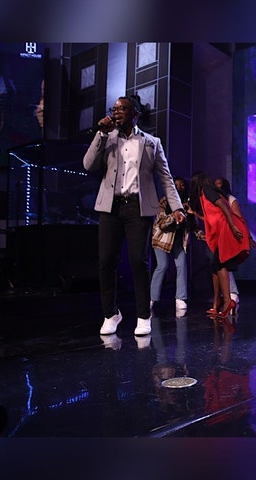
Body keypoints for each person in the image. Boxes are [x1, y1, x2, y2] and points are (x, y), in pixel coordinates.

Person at [83, 95, 184, 336]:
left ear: (134, 114)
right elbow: (88, 165)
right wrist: (101, 134)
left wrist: (177, 207)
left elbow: (166, 178)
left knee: (139, 261)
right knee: (106, 261)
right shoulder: (108, 138)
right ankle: (111, 314)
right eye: (114, 108)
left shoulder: (151, 143)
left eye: (122, 108)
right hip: (110, 207)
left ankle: (143, 315)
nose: (116, 112)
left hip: (137, 208)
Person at [189, 171, 250, 318]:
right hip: (222, 231)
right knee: (215, 265)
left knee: (219, 263)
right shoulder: (205, 195)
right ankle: (220, 303)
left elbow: (223, 205)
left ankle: (228, 300)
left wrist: (233, 226)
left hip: (226, 229)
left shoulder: (207, 190)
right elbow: (211, 217)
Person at [150, 176, 192, 314]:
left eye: (182, 185)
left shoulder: (187, 204)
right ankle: (152, 298)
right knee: (162, 265)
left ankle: (180, 298)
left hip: (178, 240)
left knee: (181, 265)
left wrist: (201, 234)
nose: (179, 188)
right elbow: (162, 224)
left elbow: (192, 225)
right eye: (176, 185)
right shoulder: (164, 202)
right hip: (162, 239)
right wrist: (175, 215)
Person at [214, 177, 256, 306]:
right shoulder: (214, 199)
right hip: (217, 235)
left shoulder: (231, 200)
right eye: (215, 184)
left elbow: (239, 218)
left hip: (229, 234)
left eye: (219, 184)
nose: (217, 186)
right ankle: (225, 295)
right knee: (218, 264)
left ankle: (232, 293)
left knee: (225, 262)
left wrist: (248, 236)